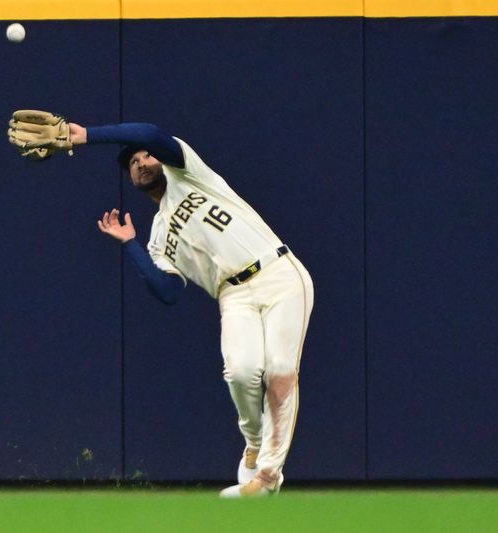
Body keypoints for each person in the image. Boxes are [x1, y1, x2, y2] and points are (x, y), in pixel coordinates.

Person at [68, 121, 314, 497]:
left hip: (277, 271)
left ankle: (266, 477)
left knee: (281, 370)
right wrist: (130, 244)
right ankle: (253, 442)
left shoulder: (189, 174)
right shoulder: (157, 235)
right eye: (132, 161)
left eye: (146, 155)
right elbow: (167, 291)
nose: (142, 161)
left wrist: (88, 136)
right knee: (240, 373)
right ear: (130, 178)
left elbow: (150, 133)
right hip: (232, 295)